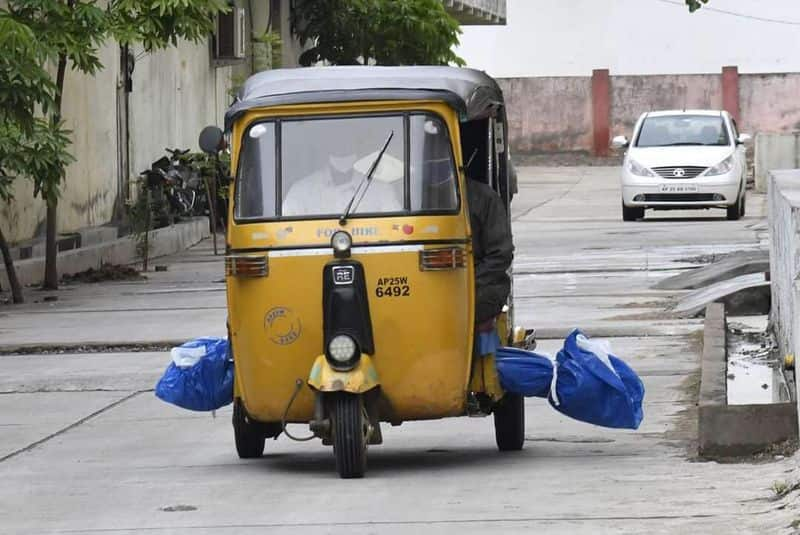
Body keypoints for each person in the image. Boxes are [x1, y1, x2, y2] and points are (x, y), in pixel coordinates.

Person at [282, 142, 402, 217]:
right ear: (326, 151)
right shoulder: (301, 191)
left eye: (348, 146)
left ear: (358, 150)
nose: (343, 150)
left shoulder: (381, 189)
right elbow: (285, 233)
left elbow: (396, 228)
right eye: (337, 147)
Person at [467, 178, 514, 334]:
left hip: (481, 285)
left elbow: (501, 254)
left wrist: (471, 281)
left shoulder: (483, 197)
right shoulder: (405, 191)